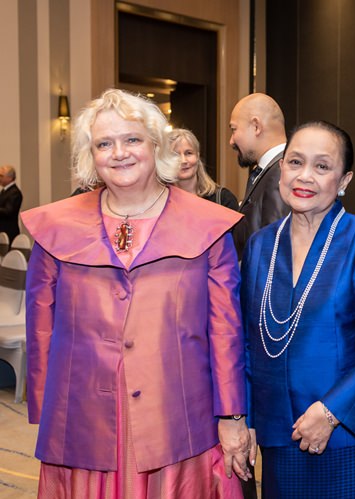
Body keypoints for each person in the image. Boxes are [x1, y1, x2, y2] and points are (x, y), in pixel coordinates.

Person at [22, 88, 251, 499]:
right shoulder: (55, 227)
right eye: (104, 143)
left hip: (178, 420)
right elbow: (41, 321)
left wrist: (232, 414)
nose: (119, 152)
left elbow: (226, 331)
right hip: (84, 420)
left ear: (155, 146)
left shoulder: (208, 226)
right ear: (90, 156)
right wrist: (44, 403)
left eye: (132, 139)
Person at [242, 120, 355, 498]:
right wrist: (247, 418)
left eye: (322, 166)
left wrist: (330, 411)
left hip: (345, 434)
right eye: (295, 162)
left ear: (344, 179)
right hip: (278, 437)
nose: (305, 177)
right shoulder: (260, 245)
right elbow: (249, 342)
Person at [229, 92, 289, 256]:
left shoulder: (281, 173)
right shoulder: (270, 171)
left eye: (234, 129)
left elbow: (274, 251)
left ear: (256, 126)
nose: (231, 141)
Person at [170, 128, 239, 210]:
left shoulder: (224, 200)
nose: (183, 161)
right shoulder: (160, 203)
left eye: (188, 153)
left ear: (197, 156)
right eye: (175, 155)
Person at [0, 164, 23, 242]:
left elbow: (8, 211)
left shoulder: (14, 192)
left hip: (9, 232)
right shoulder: (5, 191)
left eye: (1, 176)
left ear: (10, 178)